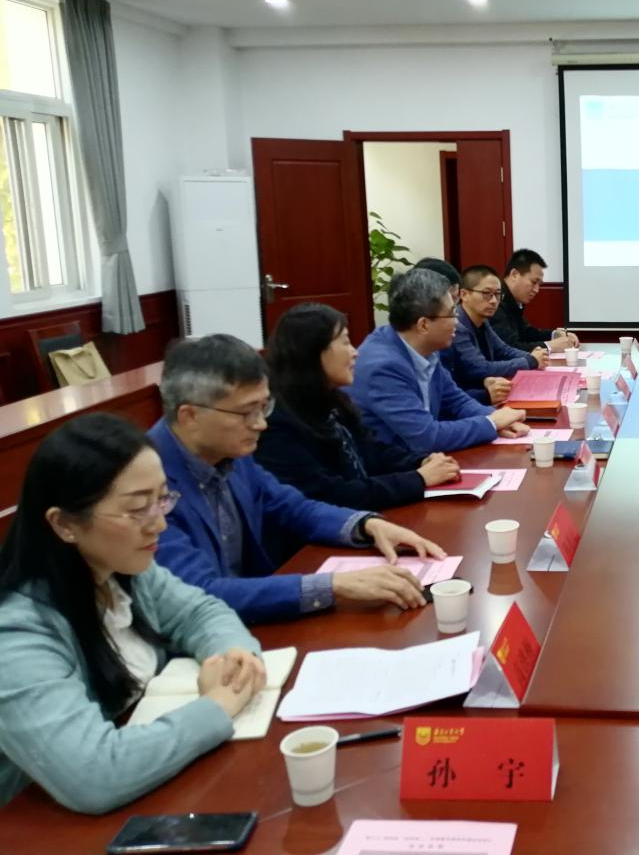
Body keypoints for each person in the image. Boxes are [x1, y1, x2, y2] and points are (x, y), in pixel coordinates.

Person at [0, 414, 266, 812]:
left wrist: (234, 657)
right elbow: (94, 775)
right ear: (64, 524)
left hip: (152, 787)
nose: (159, 524)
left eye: (162, 499)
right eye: (138, 508)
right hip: (42, 825)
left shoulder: (122, 569)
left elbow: (201, 611)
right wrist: (219, 705)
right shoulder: (16, 636)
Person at [151, 335, 447, 624]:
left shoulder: (228, 451)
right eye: (246, 412)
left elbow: (292, 506)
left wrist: (367, 525)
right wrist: (332, 586)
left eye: (263, 407)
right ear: (190, 416)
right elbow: (199, 592)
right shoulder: (147, 483)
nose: (260, 423)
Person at [255, 303, 461, 510]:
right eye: (345, 343)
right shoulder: (279, 423)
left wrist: (421, 462)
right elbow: (333, 495)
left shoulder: (332, 401)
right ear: (313, 351)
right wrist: (418, 479)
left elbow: (372, 450)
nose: (355, 353)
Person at [352, 267, 529, 457]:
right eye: (452, 314)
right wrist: (491, 424)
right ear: (423, 325)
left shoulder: (425, 347)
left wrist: (494, 417)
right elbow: (426, 437)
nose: (457, 322)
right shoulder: (383, 366)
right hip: (390, 467)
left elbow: (456, 401)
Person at [442, 264, 548, 405]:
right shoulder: (457, 327)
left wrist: (534, 356)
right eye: (487, 293)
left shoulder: (482, 321)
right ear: (464, 294)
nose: (493, 301)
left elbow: (503, 350)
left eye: (497, 294)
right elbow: (481, 368)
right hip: (468, 399)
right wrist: (530, 361)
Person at [490, 248, 578, 353]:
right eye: (534, 282)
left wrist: (555, 335)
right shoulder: (494, 301)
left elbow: (527, 333)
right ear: (514, 274)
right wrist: (549, 346)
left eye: (539, 284)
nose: (536, 290)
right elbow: (509, 348)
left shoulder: (513, 300)